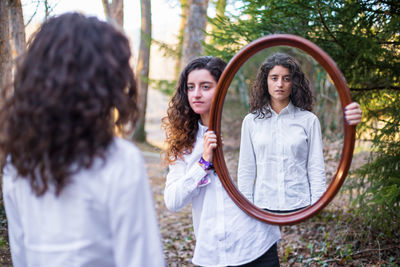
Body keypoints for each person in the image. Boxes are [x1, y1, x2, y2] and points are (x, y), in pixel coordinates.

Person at [0, 13, 165, 267]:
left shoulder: (17, 162)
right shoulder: (119, 160)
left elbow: (21, 257)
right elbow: (143, 260)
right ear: (104, 81)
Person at [163, 56, 282, 267]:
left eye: (205, 86)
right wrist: (203, 163)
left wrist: (350, 120)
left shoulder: (251, 126)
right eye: (190, 87)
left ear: (223, 88)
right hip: (212, 254)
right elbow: (172, 201)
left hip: (256, 246)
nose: (196, 94)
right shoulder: (184, 142)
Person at [237, 53, 362, 213]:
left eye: (286, 78)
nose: (280, 84)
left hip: (301, 206)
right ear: (265, 81)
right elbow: (246, 169)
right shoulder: (251, 121)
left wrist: (317, 206)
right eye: (274, 78)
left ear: (293, 82)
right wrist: (247, 209)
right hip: (263, 207)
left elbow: (315, 166)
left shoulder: (309, 120)